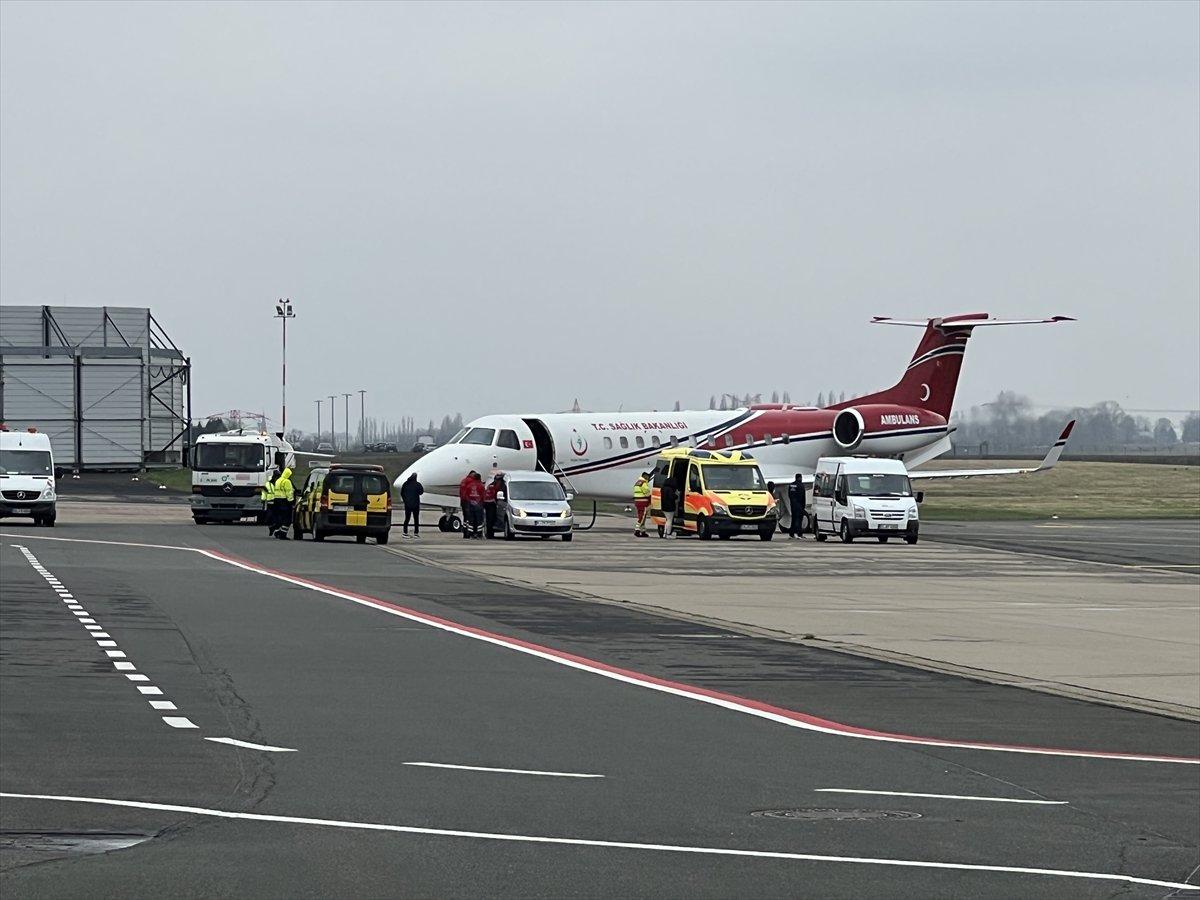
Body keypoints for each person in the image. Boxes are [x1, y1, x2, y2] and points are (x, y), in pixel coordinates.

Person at [272, 466, 295, 540]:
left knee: (280, 517)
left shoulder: (278, 480)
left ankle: (278, 531)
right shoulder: (287, 481)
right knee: (287, 519)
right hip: (284, 501)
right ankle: (282, 534)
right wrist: (291, 501)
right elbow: (289, 492)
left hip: (276, 501)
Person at [463, 471, 486, 539]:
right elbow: (483, 495)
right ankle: (479, 535)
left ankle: (471, 534)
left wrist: (470, 501)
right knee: (479, 520)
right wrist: (480, 502)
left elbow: (466, 495)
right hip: (479, 505)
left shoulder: (469, 485)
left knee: (471, 520)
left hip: (470, 505)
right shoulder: (481, 485)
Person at [400, 472, 423, 539]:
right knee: (416, 519)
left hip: (407, 504)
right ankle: (416, 533)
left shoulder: (405, 484)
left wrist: (405, 500)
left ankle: (405, 532)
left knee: (407, 518)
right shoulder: (417, 484)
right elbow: (421, 492)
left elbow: (402, 493)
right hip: (415, 504)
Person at [484, 473, 505, 539]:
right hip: (492, 504)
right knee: (491, 519)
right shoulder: (498, 486)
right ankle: (490, 534)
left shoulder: (490, 485)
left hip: (487, 503)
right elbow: (497, 495)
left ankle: (489, 533)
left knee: (489, 519)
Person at [632, 472, 652, 537]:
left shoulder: (637, 483)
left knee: (642, 516)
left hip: (638, 502)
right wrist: (651, 499)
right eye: (648, 477)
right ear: (645, 476)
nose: (649, 478)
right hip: (643, 502)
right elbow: (647, 493)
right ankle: (637, 530)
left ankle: (643, 531)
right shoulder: (643, 483)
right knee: (642, 517)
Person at [788, 474, 806, 539]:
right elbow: (803, 497)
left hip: (793, 505)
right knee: (798, 520)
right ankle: (797, 533)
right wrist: (803, 505)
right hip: (799, 505)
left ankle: (792, 533)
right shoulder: (801, 485)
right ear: (800, 478)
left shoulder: (791, 485)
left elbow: (790, 495)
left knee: (794, 519)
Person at [262, 468, 278, 535]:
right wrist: (263, 500)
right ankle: (271, 528)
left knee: (276, 517)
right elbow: (264, 492)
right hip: (269, 502)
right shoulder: (268, 484)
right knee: (269, 517)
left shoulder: (279, 482)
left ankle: (274, 528)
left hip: (277, 501)